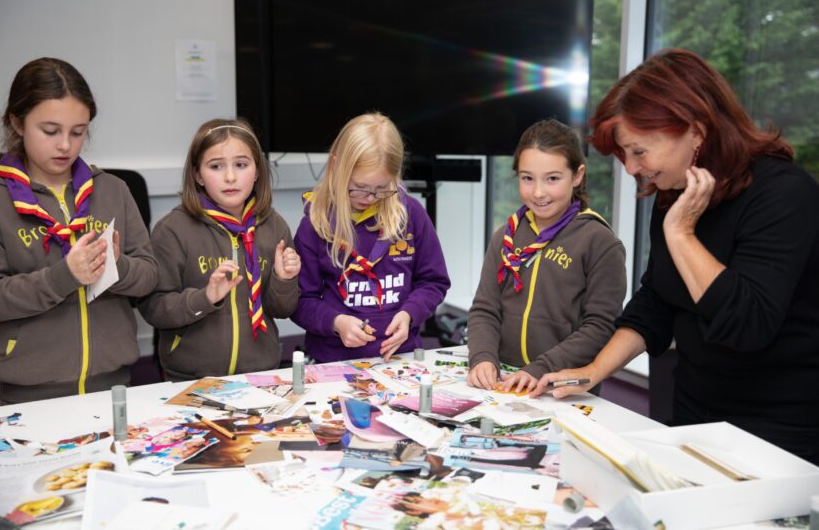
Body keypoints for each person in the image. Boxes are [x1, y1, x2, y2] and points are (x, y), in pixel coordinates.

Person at [536, 49, 819, 465]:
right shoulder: (674, 195)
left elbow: (748, 324)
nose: (631, 168)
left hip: (777, 431)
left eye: (638, 151)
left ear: (696, 131)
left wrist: (682, 233)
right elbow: (657, 302)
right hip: (694, 413)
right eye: (624, 155)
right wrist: (593, 371)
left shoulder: (784, 195)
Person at [0, 57, 157, 404]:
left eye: (78, 132)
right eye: (50, 131)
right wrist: (64, 276)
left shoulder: (113, 190)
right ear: (17, 122)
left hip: (112, 385)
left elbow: (149, 277)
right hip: (29, 394)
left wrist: (120, 265)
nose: (65, 146)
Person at [467, 120, 626, 392]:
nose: (538, 192)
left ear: (577, 176)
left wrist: (541, 368)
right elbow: (485, 309)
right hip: (502, 380)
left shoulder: (599, 241)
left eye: (552, 178)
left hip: (562, 383)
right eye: (527, 178)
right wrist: (482, 358)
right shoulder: (505, 236)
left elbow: (600, 326)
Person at [139, 119, 300, 380]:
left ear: (257, 171)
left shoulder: (273, 226)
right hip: (191, 378)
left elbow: (282, 310)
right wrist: (206, 297)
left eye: (241, 164)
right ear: (198, 175)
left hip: (261, 373)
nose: (230, 177)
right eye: (216, 166)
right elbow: (154, 308)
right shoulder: (173, 230)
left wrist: (284, 280)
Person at [291, 112, 450, 362]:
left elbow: (434, 282)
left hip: (400, 358)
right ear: (336, 167)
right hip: (333, 360)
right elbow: (300, 301)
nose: (370, 198)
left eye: (382, 189)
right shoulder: (316, 224)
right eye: (360, 188)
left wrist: (410, 314)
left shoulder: (411, 214)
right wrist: (337, 322)